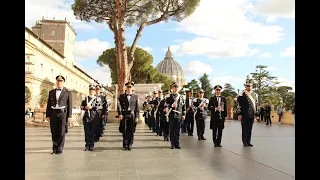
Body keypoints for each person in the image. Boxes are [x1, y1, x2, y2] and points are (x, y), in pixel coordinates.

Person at [45, 75, 72, 154]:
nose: (59, 82)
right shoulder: (51, 92)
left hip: (62, 113)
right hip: (53, 113)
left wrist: (69, 116)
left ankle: (60, 148)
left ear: (63, 82)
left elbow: (69, 104)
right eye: (58, 81)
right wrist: (47, 115)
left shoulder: (67, 92)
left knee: (61, 131)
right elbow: (48, 104)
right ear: (56, 82)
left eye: (61, 81)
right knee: (54, 131)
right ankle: (54, 148)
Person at [164, 82, 186, 149]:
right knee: (172, 130)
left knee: (177, 130)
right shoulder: (168, 97)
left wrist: (184, 114)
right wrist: (171, 105)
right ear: (172, 88)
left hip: (179, 115)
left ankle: (177, 143)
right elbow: (165, 105)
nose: (176, 88)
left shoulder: (181, 97)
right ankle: (172, 144)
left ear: (178, 88)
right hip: (171, 115)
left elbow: (184, 106)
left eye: (177, 87)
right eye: (174, 87)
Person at [118, 82, 139, 151]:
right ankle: (125, 143)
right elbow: (119, 106)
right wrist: (120, 114)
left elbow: (137, 108)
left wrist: (137, 116)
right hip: (124, 114)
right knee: (124, 129)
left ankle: (130, 144)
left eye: (130, 87)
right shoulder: (122, 96)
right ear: (126, 88)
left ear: (132, 88)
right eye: (128, 87)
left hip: (132, 115)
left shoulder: (135, 96)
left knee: (131, 130)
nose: (129, 89)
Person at [237, 79, 258, 147]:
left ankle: (248, 141)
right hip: (244, 114)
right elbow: (238, 104)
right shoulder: (242, 93)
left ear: (252, 86)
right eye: (247, 86)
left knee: (249, 129)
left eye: (250, 86)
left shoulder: (255, 94)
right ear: (245, 86)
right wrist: (239, 113)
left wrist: (256, 114)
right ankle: (244, 141)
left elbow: (256, 105)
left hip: (251, 114)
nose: (248, 87)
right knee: (244, 129)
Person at [80, 85, 100, 151]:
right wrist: (85, 107)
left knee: (93, 132)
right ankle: (87, 145)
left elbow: (98, 107)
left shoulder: (97, 99)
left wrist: (91, 107)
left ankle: (92, 145)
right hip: (86, 117)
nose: (91, 91)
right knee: (87, 132)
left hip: (94, 117)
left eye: (93, 90)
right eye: (90, 90)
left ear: (94, 91)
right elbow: (81, 107)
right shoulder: (85, 99)